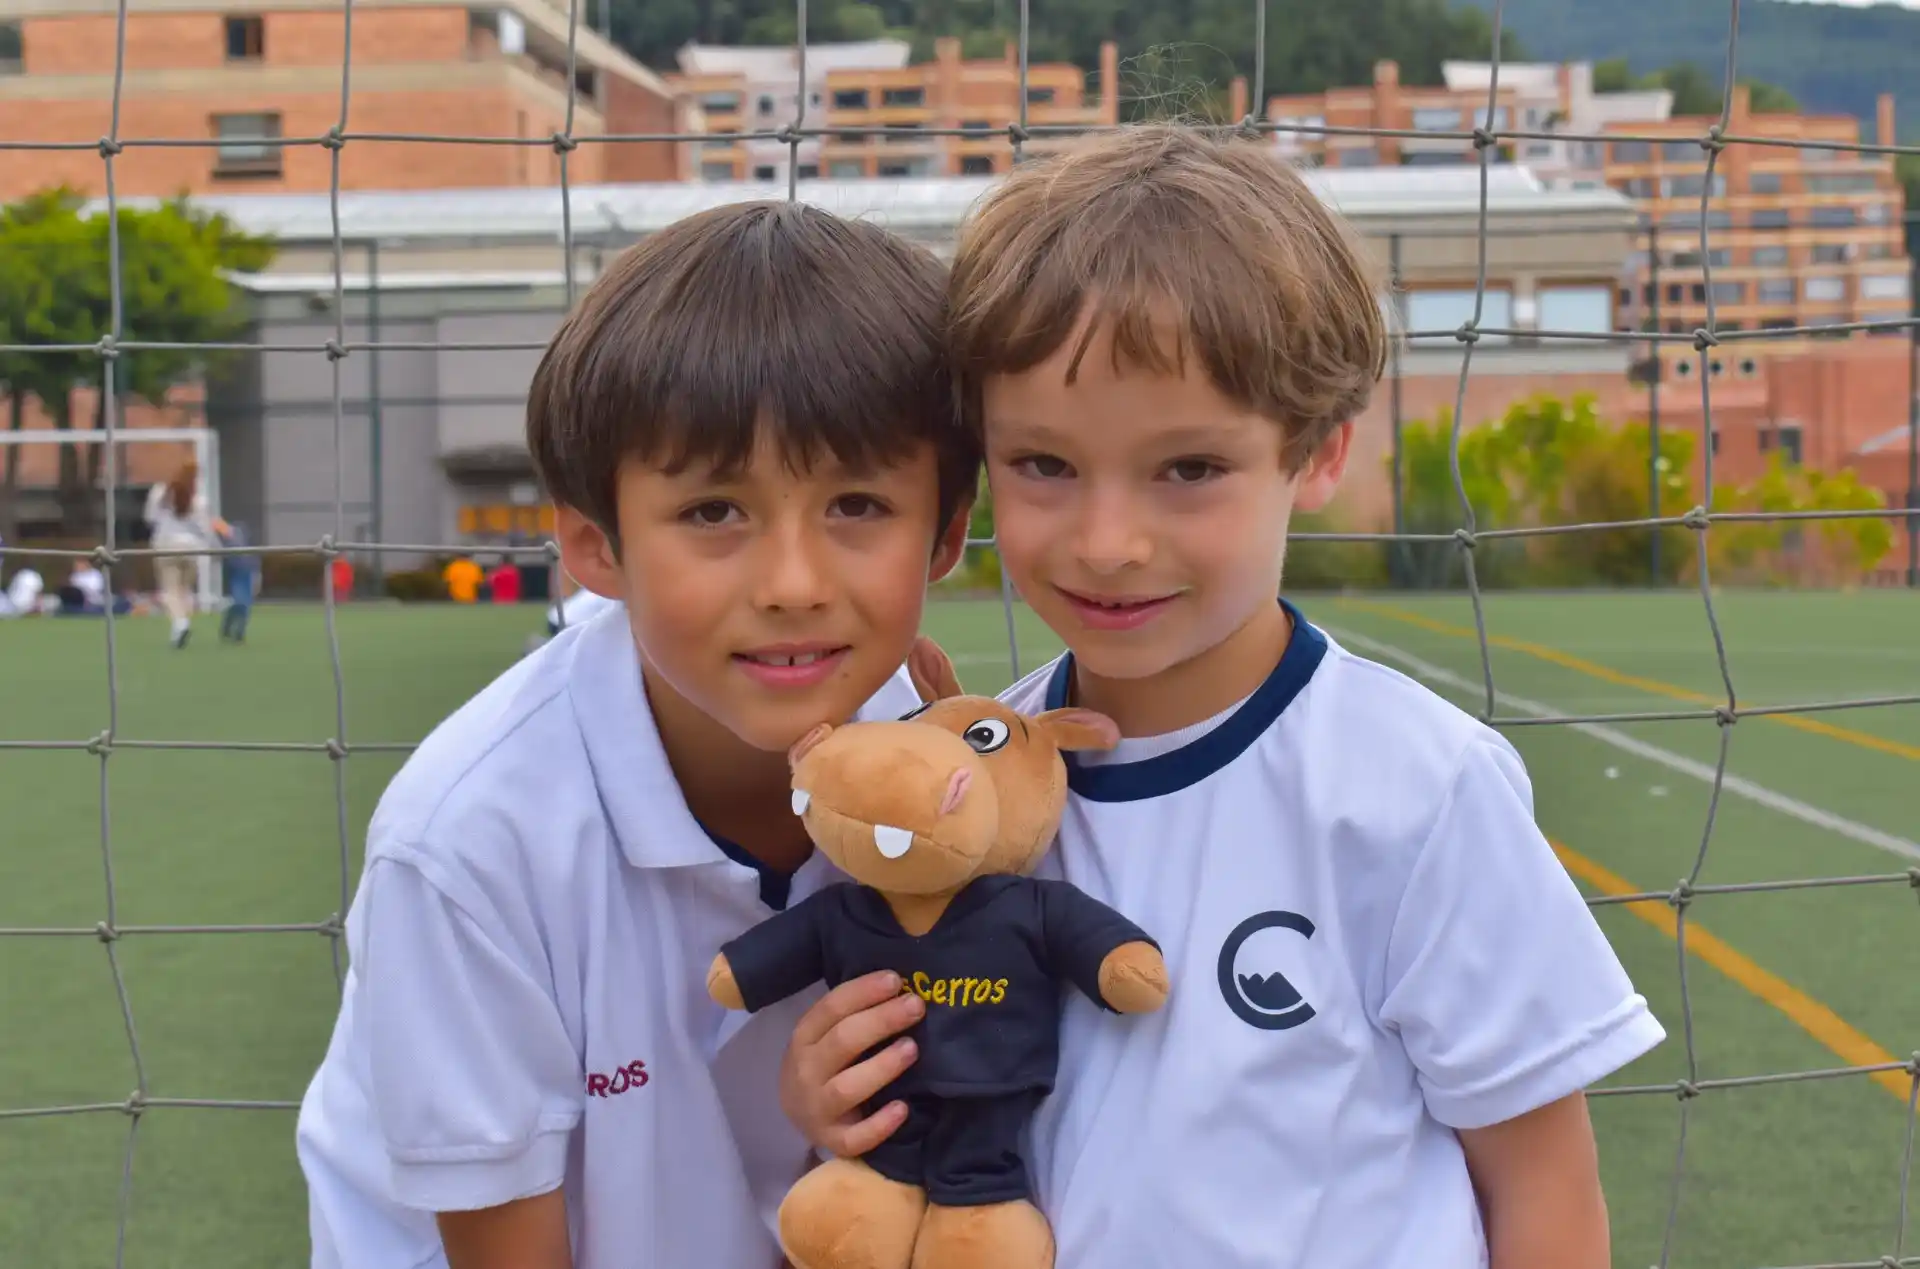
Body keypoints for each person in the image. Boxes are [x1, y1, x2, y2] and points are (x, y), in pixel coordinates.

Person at [780, 126, 1666, 1269]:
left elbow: (1544, 1191)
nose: (1107, 543)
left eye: (1189, 469)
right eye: (1045, 465)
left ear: (1321, 452)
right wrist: (835, 1103)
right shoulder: (969, 790)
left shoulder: (1415, 788)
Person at [294, 199, 980, 1269]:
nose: (793, 586)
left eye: (857, 505)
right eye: (714, 513)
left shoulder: (950, 785)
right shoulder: (474, 842)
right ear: (591, 545)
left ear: (944, 534)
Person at [143, 459, 226, 649]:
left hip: (165, 545)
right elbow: (205, 529)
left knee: (170, 590)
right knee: (184, 590)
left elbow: (149, 518)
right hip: (191, 548)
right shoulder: (199, 500)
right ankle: (181, 624)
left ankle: (180, 624)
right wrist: (217, 549)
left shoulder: (160, 493)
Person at [220, 521, 260, 642]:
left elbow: (255, 563)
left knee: (245, 604)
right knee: (241, 603)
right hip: (237, 574)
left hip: (246, 574)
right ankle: (230, 628)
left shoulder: (247, 547)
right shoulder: (229, 544)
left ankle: (238, 633)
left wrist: (257, 576)